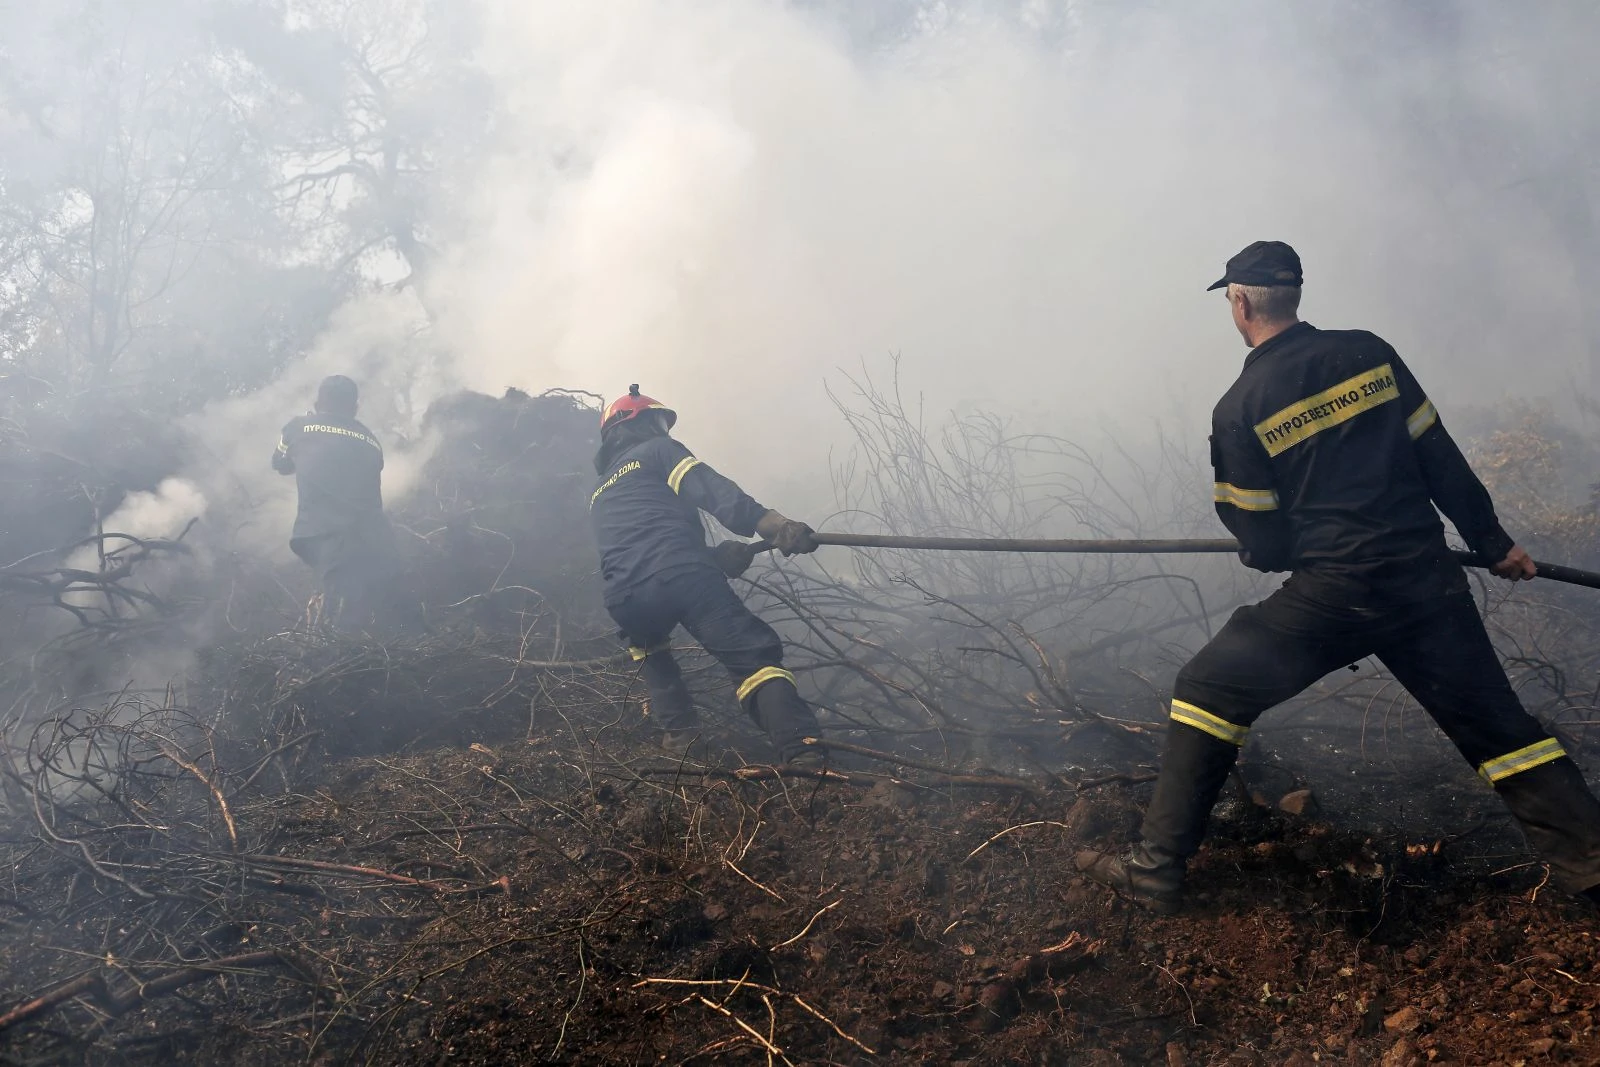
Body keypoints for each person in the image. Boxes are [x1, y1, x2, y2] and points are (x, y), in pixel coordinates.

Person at [1076, 241, 1600, 913]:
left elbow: (1261, 538)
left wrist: (1264, 550)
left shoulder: (1239, 407)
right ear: (1295, 296)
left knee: (1206, 686)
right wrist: (1495, 542)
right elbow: (1440, 457)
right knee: (1503, 732)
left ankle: (1156, 870)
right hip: (1427, 586)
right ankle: (1592, 860)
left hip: (1336, 600)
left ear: (1238, 303)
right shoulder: (1370, 353)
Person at [590, 385, 824, 766]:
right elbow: (712, 491)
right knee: (754, 658)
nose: (664, 431)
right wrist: (775, 525)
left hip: (624, 597)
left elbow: (641, 551)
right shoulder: (658, 451)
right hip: (680, 573)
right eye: (659, 423)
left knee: (651, 651)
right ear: (644, 424)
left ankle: (684, 750)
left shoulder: (599, 492)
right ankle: (804, 755)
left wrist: (714, 558)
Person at [272, 375, 394, 630]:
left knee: (340, 623)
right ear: (355, 408)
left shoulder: (297, 427)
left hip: (323, 536)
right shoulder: (371, 439)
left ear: (318, 403)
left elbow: (280, 464)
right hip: (376, 539)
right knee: (374, 612)